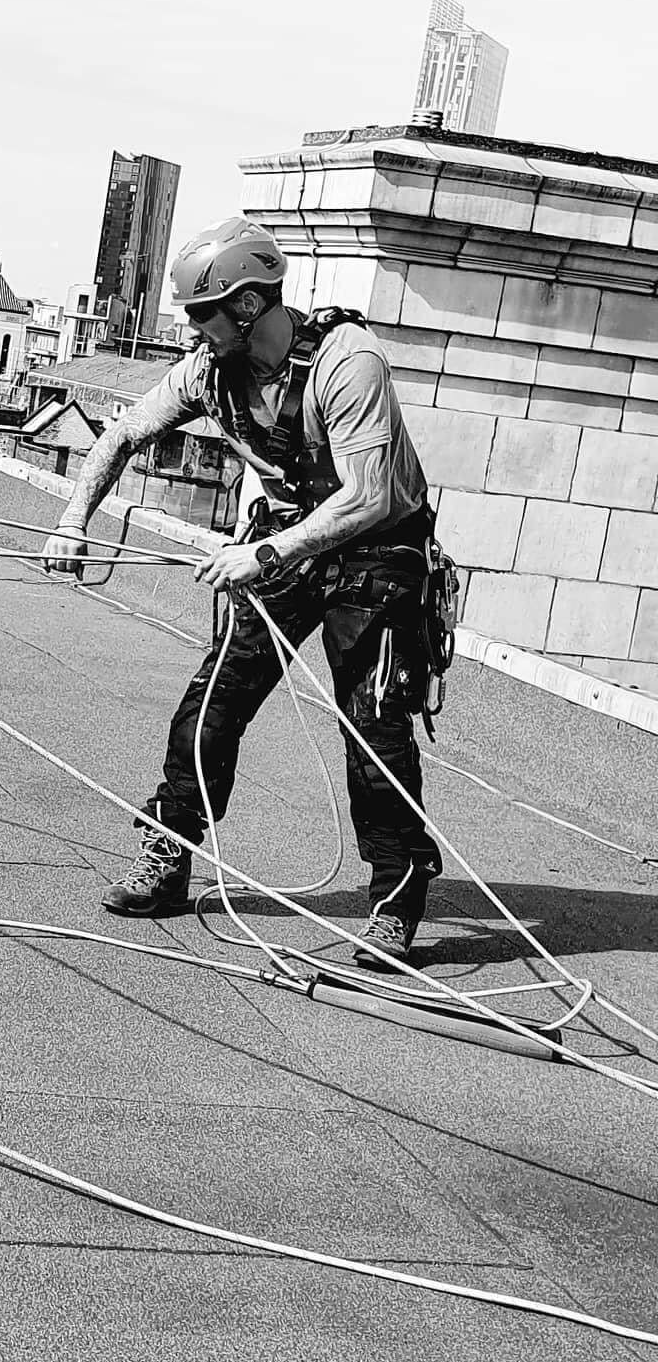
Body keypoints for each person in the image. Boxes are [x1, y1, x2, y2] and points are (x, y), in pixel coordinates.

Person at [41, 217, 442, 968]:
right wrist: (73, 521)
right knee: (215, 698)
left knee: (373, 728)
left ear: (249, 307)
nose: (191, 330)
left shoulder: (347, 364)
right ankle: (170, 850)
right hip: (289, 537)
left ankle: (394, 898)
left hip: (379, 550)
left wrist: (264, 552)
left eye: (202, 313)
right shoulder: (208, 372)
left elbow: (369, 494)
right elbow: (125, 433)